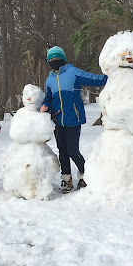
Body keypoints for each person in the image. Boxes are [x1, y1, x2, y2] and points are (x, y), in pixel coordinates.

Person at [40, 46, 107, 193]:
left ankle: (85, 175)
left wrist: (110, 77)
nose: (53, 61)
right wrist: (45, 105)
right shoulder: (50, 79)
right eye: (50, 59)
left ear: (62, 59)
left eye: (56, 58)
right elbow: (49, 98)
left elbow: (93, 79)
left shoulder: (72, 72)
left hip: (73, 118)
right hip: (58, 120)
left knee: (72, 150)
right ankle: (66, 179)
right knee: (62, 150)